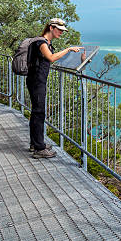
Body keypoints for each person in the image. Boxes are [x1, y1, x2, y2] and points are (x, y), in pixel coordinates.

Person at [27, 18, 80, 158]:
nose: (61, 33)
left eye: (63, 30)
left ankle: (35, 143)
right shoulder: (41, 42)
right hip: (36, 82)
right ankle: (39, 148)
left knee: (36, 113)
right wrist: (68, 49)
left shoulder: (47, 43)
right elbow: (51, 58)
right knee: (39, 113)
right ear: (51, 27)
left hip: (38, 81)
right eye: (60, 30)